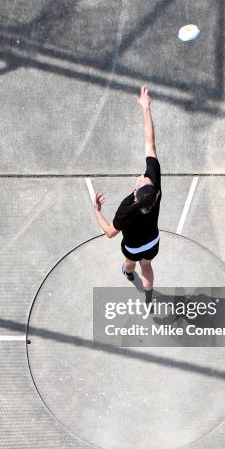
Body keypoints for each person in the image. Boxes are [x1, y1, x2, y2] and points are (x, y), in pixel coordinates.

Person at [93, 86, 161, 304]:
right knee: (148, 266)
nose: (143, 176)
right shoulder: (156, 189)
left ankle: (128, 273)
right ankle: (148, 297)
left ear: (136, 193)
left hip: (133, 247)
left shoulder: (126, 208)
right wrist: (146, 109)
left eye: (141, 180)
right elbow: (150, 143)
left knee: (130, 264)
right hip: (152, 242)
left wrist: (97, 212)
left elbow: (110, 233)